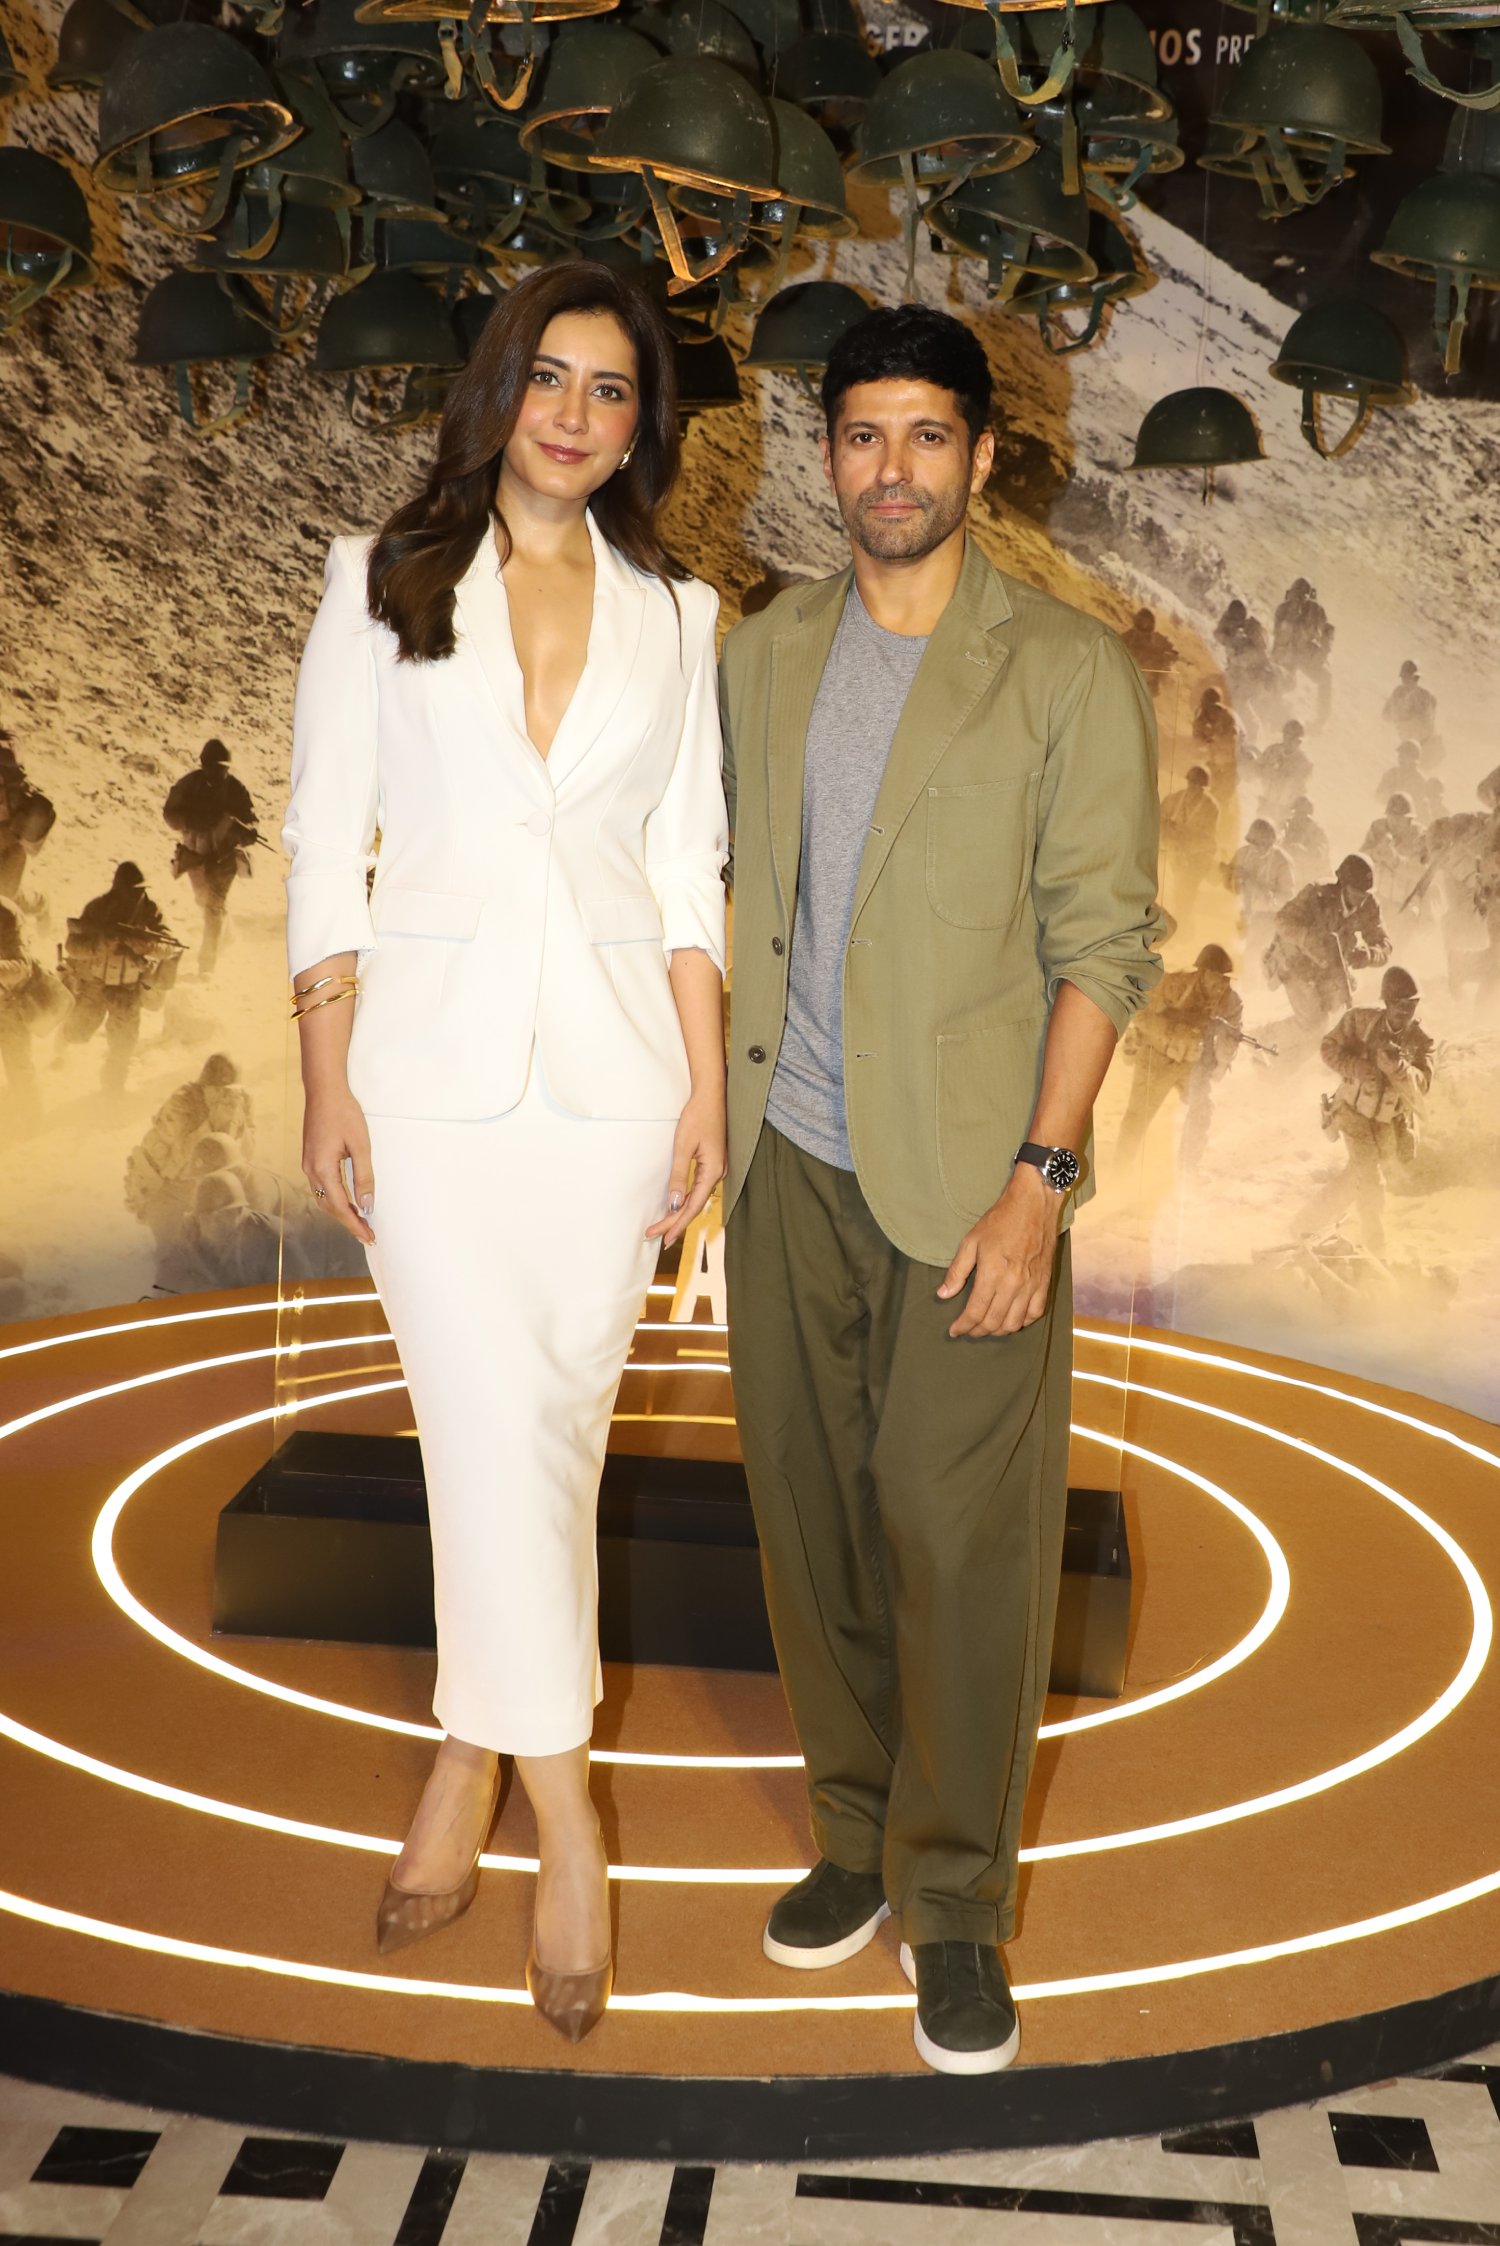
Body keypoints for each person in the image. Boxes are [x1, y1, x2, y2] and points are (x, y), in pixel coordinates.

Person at [283, 261, 727, 2043]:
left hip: (616, 1096)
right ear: (498, 391)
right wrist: (327, 1076)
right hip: (430, 1094)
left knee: (550, 1440)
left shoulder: (683, 613)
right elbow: (328, 837)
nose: (573, 413)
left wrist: (701, 1092)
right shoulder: (377, 582)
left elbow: (687, 867)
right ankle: (565, 1822)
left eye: (610, 391)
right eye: (549, 377)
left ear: (642, 425)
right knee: (488, 1433)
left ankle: (472, 1757)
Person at [718, 304, 1162, 2076]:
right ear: (827, 456)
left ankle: (958, 1904)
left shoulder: (1065, 667)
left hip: (977, 1182)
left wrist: (1041, 1182)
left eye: (924, 436)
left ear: (983, 457)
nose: (888, 469)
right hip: (785, 1162)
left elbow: (1104, 942)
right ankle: (853, 1834)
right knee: (812, 1513)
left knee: (956, 1531)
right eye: (860, 435)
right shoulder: (765, 651)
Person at [1296, 965, 1433, 1257]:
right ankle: (1376, 1251)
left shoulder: (1422, 1041)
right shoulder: (1360, 1021)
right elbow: (1329, 1047)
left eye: (1412, 1005)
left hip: (1387, 1121)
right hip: (1352, 1112)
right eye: (1399, 1005)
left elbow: (1422, 1087)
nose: (1405, 1012)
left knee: (1356, 1176)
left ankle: (1306, 1224)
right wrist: (1356, 1067)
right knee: (1370, 1179)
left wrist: (1398, 1068)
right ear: (1387, 1002)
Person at [1115, 943, 1244, 1174]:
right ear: (1203, 973)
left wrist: (1223, 1059)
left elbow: (1232, 1034)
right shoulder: (1174, 986)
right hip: (1156, 1057)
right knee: (1137, 1117)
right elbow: (1139, 1013)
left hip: (1192, 1062)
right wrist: (1174, 1032)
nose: (1222, 984)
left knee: (1202, 1110)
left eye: (1226, 979)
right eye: (1217, 977)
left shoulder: (1230, 1002)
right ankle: (1120, 1172)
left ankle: (1187, 1170)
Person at [58, 862, 178, 1090]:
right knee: (78, 1032)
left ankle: (112, 1088)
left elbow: (168, 946)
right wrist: (101, 945)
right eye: (132, 891)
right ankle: (59, 1050)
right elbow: (73, 945)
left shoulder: (151, 910)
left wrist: (147, 947)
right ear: (117, 890)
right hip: (95, 983)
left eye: (141, 890)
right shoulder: (97, 909)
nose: (138, 896)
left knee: (123, 1044)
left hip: (128, 987)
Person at [124, 1054, 255, 1254]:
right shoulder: (182, 1104)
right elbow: (171, 1166)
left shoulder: (239, 1103)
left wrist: (237, 1126)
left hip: (207, 1184)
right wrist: (211, 1125)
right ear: (205, 1086)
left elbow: (247, 1155)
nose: (224, 1097)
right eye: (218, 1090)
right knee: (177, 1254)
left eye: (229, 1092)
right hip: (167, 1188)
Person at [1264, 852, 1391, 1034]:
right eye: (1356, 893)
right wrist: (1307, 938)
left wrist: (1369, 955)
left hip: (1332, 967)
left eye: (1365, 894)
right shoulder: (1317, 893)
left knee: (1338, 1020)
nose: (1361, 901)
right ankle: (1264, 1036)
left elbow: (1385, 945)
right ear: (1343, 885)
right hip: (1295, 961)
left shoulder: (1370, 904)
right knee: (1313, 1024)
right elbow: (1282, 920)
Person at [163, 739, 259, 975]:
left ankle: (206, 965)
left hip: (224, 859)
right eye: (212, 767)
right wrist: (192, 821)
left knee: (212, 909)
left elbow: (250, 818)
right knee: (203, 902)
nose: (217, 773)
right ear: (203, 765)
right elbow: (169, 813)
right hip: (195, 857)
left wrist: (248, 832)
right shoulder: (189, 784)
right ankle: (227, 936)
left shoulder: (236, 789)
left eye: (222, 768)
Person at [1158, 764, 1219, 924]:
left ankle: (1183, 932)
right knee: (1170, 893)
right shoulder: (1174, 799)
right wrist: (1169, 832)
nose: (1194, 788)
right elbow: (1158, 820)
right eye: (1191, 783)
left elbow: (1207, 839)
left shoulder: (1211, 807)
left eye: (1198, 785)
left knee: (1185, 896)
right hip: (1174, 852)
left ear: (1204, 787)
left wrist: (1185, 840)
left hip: (1196, 858)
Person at [1226, 816, 1294, 959]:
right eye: (1255, 843)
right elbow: (1225, 885)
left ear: (1272, 843)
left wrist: (1253, 884)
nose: (1259, 848)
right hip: (1238, 912)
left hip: (1266, 918)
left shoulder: (1282, 862)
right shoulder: (1242, 854)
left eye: (1264, 844)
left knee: (1252, 955)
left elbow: (1286, 900)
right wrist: (1231, 877)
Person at [1271, 577, 1332, 721]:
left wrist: (1323, 653)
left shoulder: (1316, 610)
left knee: (1326, 678)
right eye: (1295, 597)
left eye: (1301, 597)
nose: (1298, 601)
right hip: (1287, 654)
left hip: (1306, 654)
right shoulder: (1282, 610)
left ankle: (1321, 720)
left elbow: (1327, 633)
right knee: (1281, 682)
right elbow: (1278, 636)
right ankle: (1276, 714)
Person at [1361, 793, 1427, 907]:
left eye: (1399, 818)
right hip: (1378, 901)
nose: (1394, 822)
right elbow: (1359, 859)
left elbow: (1422, 874)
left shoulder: (1420, 836)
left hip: (1407, 905)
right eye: (1391, 817)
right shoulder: (1377, 828)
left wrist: (1395, 860)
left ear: (1409, 820)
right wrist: (1374, 855)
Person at [1254, 718, 1312, 823]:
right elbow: (1257, 769)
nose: (1288, 740)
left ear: (1299, 740)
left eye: (1293, 737)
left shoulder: (1303, 763)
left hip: (1285, 812)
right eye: (1287, 734)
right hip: (1265, 804)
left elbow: (1301, 789)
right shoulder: (1272, 751)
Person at [1376, 738, 1445, 826]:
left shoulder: (1421, 780)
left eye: (1405, 756)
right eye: (1400, 755)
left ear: (1414, 759)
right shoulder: (1391, 774)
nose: (1400, 758)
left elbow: (1419, 807)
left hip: (1413, 822)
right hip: (1390, 818)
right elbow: (1378, 796)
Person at [1120, 606, 1178, 700]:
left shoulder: (1158, 638)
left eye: (1146, 623)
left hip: (1147, 686)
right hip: (1127, 680)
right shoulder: (1129, 635)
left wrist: (1169, 656)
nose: (1143, 625)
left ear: (1151, 625)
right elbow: (1114, 646)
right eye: (1141, 621)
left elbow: (1174, 652)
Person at [1382, 658, 1438, 752]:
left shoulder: (1424, 696)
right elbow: (1385, 716)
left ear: (1415, 678)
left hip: (1420, 744)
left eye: (1407, 677)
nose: (1404, 680)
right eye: (1403, 677)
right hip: (1405, 742)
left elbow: (1428, 724)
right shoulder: (1398, 692)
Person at [1281, 795, 1330, 889]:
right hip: (1288, 873)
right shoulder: (1286, 825)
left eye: (1303, 813)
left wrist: (1303, 851)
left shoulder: (1317, 830)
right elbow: (1276, 840)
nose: (1299, 816)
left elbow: (1321, 852)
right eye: (1297, 812)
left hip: (1311, 876)